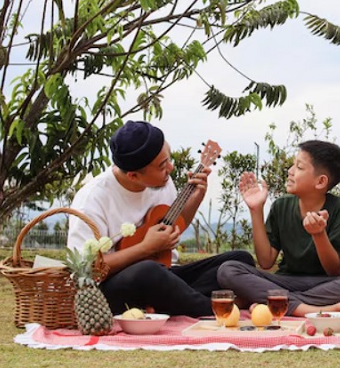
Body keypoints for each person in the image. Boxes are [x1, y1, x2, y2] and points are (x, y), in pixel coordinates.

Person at [67, 121, 255, 317]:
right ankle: (214, 308)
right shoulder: (91, 200)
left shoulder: (161, 181)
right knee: (148, 272)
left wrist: (196, 197)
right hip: (113, 288)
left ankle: (169, 304)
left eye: (168, 159)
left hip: (165, 275)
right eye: (162, 166)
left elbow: (173, 225)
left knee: (239, 260)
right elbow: (86, 267)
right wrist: (145, 248)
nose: (171, 168)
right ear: (133, 175)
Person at [216, 140, 340, 317]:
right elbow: (266, 262)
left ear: (321, 181)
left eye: (299, 167)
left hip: (326, 283)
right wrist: (256, 210)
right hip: (284, 281)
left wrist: (319, 234)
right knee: (228, 270)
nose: (290, 171)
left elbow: (334, 270)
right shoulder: (281, 206)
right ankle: (305, 308)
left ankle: (276, 302)